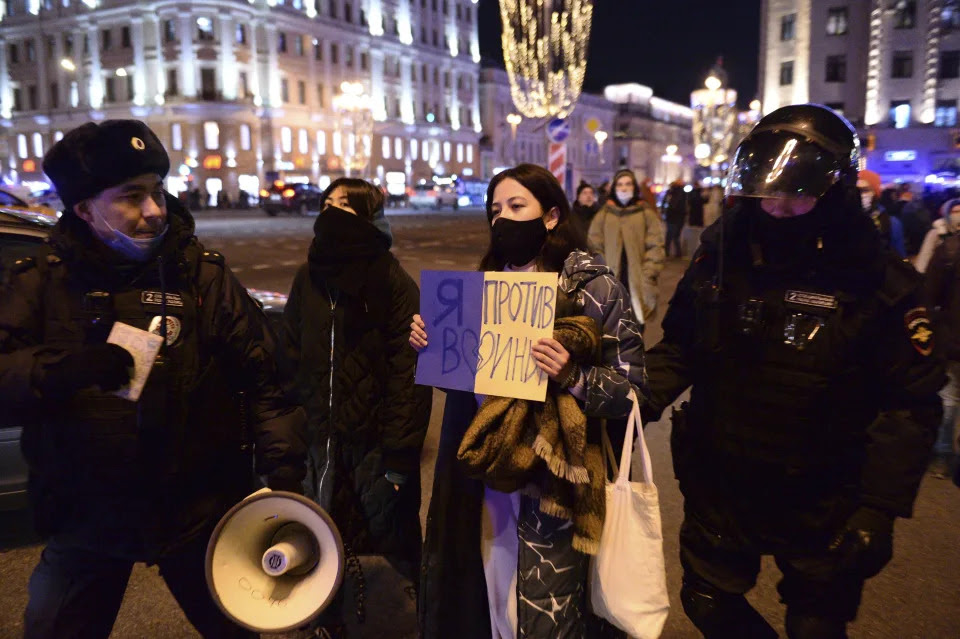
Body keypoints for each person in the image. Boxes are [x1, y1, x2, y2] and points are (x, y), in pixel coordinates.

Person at [641, 105, 944, 639]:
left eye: (797, 192)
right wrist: (631, 400)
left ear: (835, 192)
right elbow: (680, 347)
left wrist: (879, 508)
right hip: (724, 477)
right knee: (707, 598)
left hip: (824, 492)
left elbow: (911, 403)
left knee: (816, 624)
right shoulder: (722, 253)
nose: (777, 206)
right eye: (768, 190)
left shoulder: (876, 277)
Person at [0, 120, 308, 639]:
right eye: (131, 197)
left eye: (157, 192)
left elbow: (266, 381)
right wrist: (62, 370)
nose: (154, 212)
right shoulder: (42, 279)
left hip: (199, 514)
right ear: (83, 207)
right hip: (86, 520)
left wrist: (284, 478)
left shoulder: (201, 276)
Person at [411, 164, 646, 639]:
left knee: (547, 615)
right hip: (490, 475)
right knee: (495, 602)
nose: (503, 220)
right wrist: (433, 347)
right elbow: (473, 385)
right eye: (495, 210)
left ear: (552, 215)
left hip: (555, 484)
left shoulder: (593, 288)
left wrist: (572, 375)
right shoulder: (487, 283)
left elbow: (632, 390)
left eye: (517, 207)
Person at [281, 177, 431, 636]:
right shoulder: (308, 276)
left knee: (382, 558)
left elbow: (409, 377)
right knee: (319, 550)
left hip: (374, 452)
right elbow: (288, 353)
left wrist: (400, 457)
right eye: (327, 204)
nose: (331, 213)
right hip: (318, 446)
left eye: (343, 207)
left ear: (368, 217)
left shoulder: (391, 280)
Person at [588, 168, 665, 328]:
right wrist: (601, 271)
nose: (624, 188)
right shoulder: (604, 215)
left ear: (634, 187)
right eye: (620, 184)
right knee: (610, 328)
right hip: (611, 280)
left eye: (628, 184)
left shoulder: (645, 214)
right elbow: (594, 245)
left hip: (638, 280)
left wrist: (649, 273)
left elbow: (655, 246)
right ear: (614, 188)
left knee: (636, 327)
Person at [924, 232, 960, 479]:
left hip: (954, 338)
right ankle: (943, 452)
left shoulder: (951, 245)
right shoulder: (950, 247)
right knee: (949, 398)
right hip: (955, 339)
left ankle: (942, 454)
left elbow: (928, 295)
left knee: (949, 398)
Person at [858, 169, 905, 257]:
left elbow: (900, 258)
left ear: (875, 193)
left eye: (865, 190)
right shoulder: (841, 220)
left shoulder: (891, 223)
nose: (859, 195)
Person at [915, 198, 960, 274]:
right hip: (941, 277)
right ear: (947, 214)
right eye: (955, 212)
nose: (958, 215)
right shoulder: (936, 233)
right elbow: (924, 257)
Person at [661, 180, 688, 258]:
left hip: (672, 216)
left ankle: (668, 252)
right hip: (677, 217)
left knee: (670, 235)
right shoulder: (682, 193)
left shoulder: (672, 193)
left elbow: (666, 203)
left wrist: (664, 211)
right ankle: (676, 253)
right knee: (675, 236)